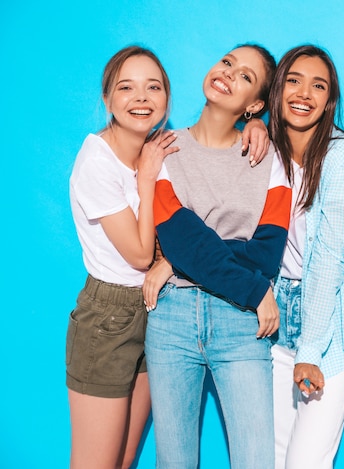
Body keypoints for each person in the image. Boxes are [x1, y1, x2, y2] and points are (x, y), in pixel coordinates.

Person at [143, 44, 292, 469]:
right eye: (227, 61)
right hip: (171, 319)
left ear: (256, 104)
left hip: (241, 322)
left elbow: (266, 250)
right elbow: (181, 235)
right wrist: (253, 288)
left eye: (246, 76)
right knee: (174, 462)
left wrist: (175, 260)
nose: (229, 73)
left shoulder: (271, 160)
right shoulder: (163, 149)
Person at [66, 45, 179, 469]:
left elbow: (189, 227)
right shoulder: (97, 162)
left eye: (153, 87)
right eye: (126, 87)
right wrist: (147, 178)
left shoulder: (158, 149)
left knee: (125, 458)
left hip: (157, 310)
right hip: (108, 318)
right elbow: (137, 253)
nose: (142, 98)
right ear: (107, 98)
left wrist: (252, 126)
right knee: (97, 463)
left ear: (167, 98)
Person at [268, 45, 344, 469]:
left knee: (304, 463)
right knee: (272, 458)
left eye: (318, 85)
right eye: (293, 80)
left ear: (329, 101)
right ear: (277, 89)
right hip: (274, 320)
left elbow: (330, 256)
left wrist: (310, 347)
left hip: (328, 334)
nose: (304, 93)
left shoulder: (342, 157)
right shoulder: (265, 151)